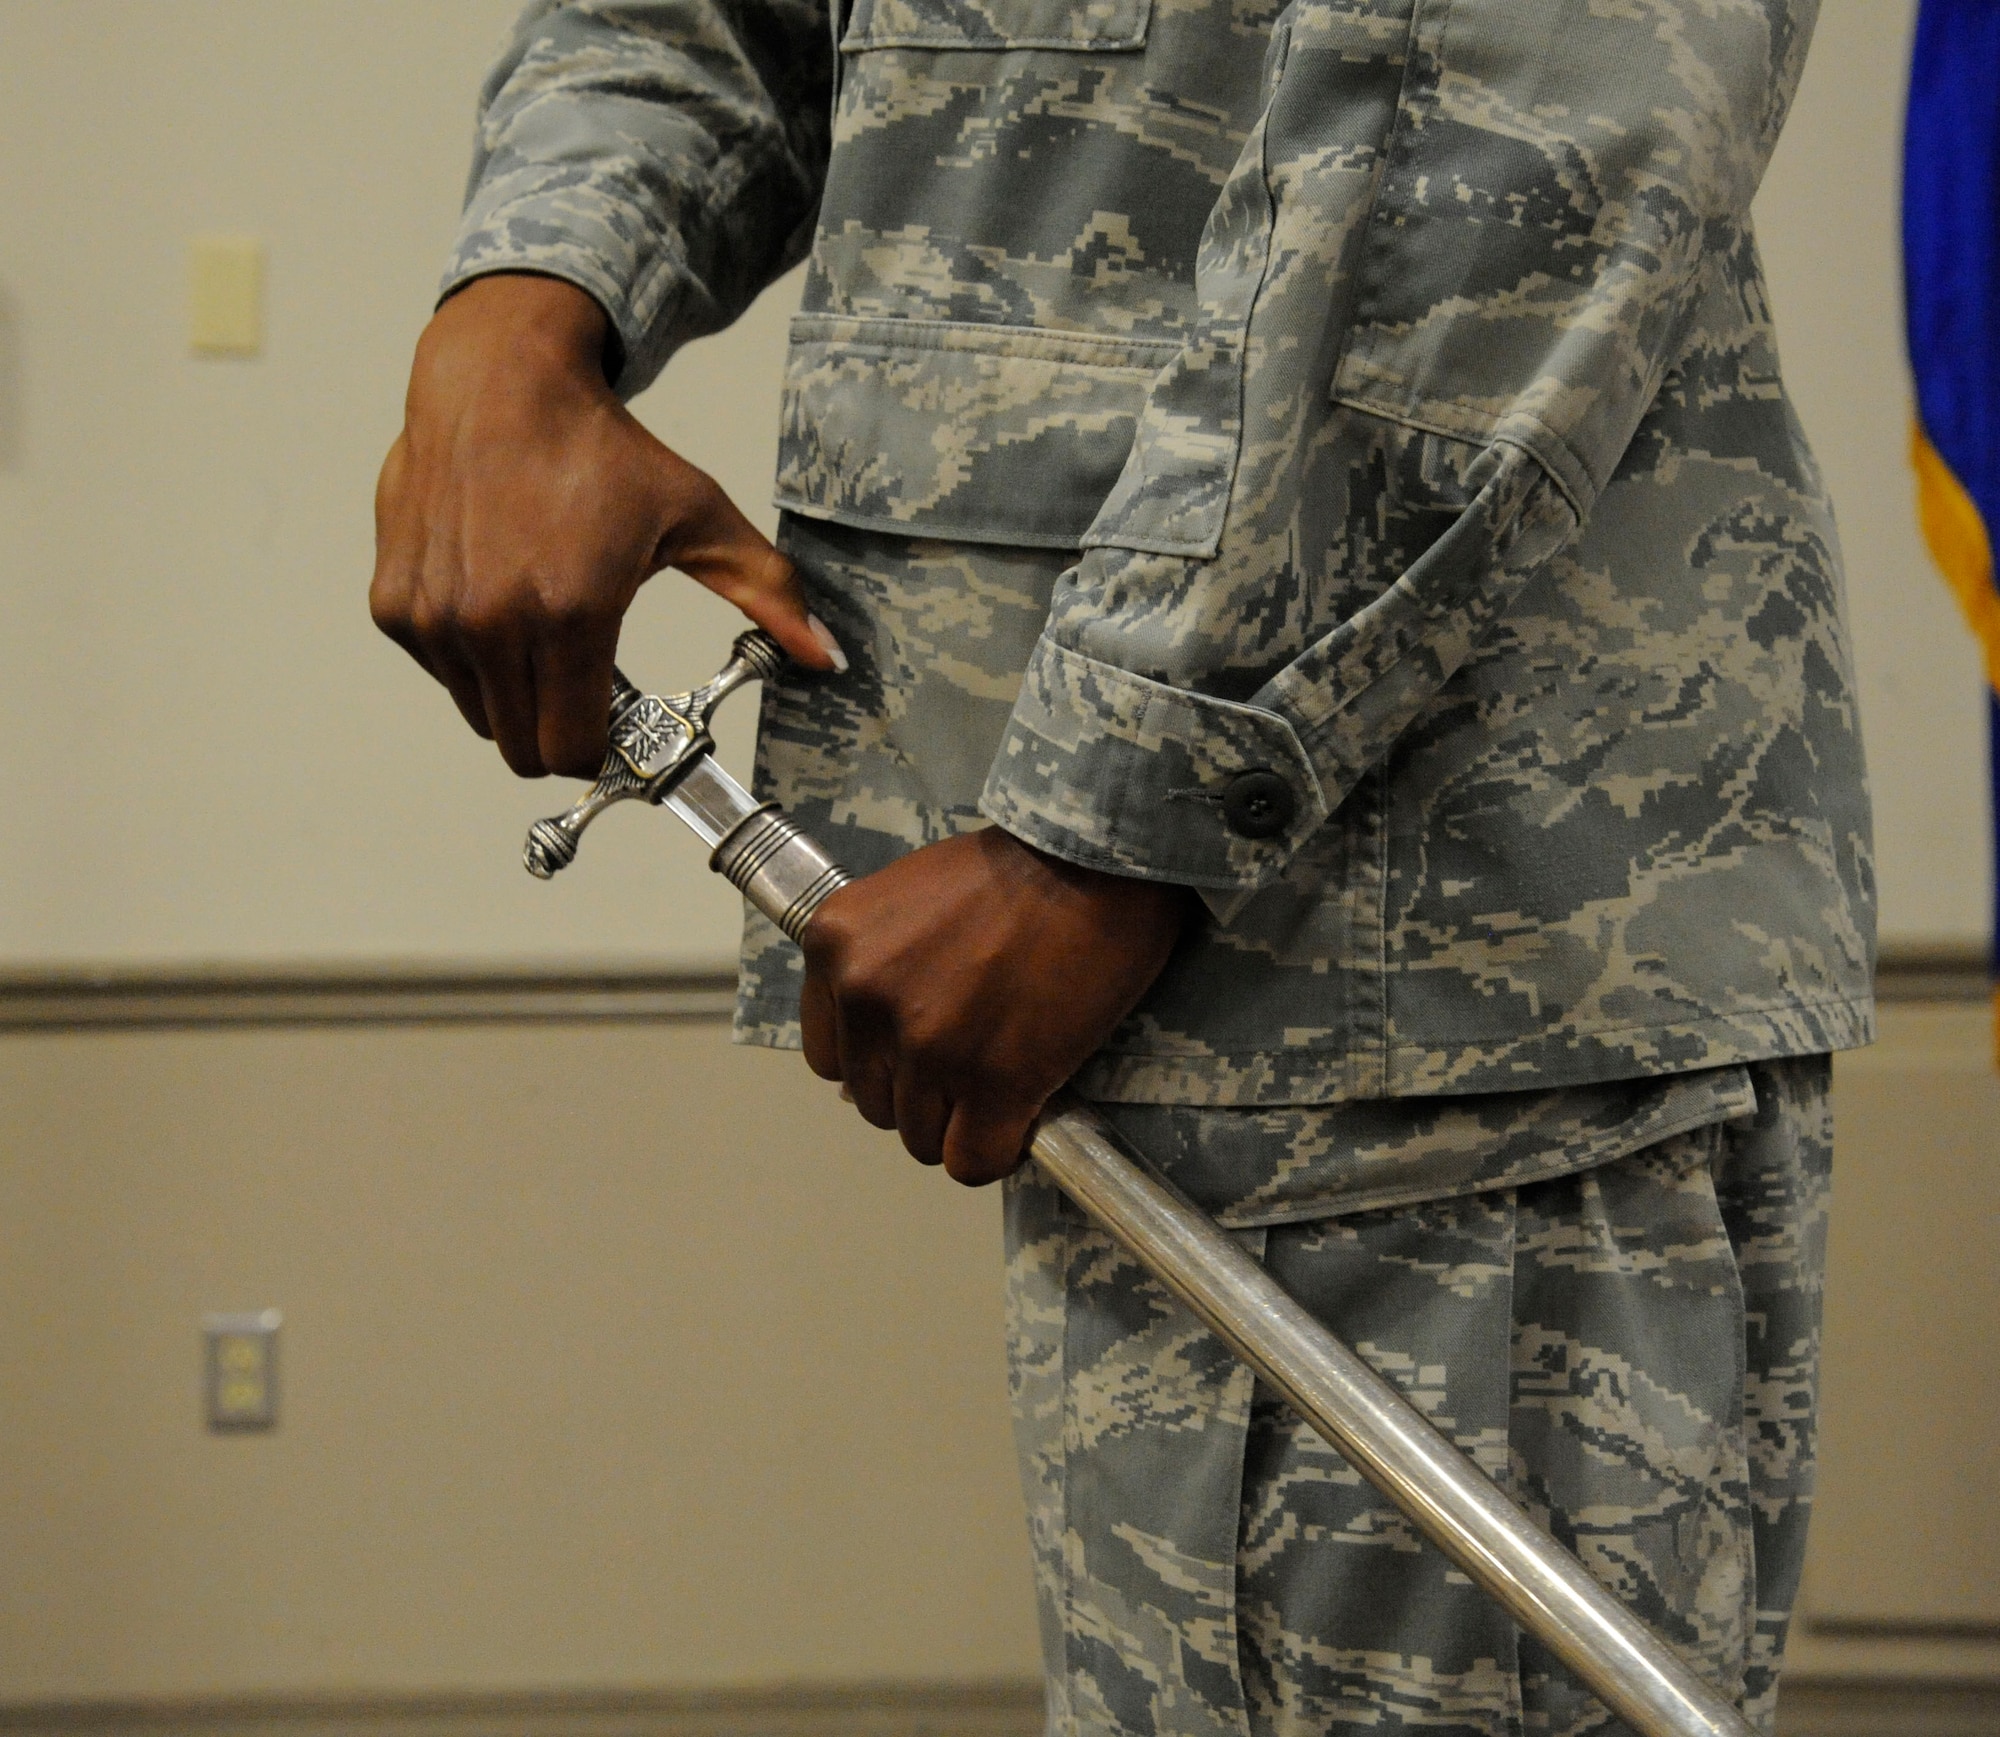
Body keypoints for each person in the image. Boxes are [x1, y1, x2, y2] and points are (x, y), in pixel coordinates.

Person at [370, 2, 1875, 1732]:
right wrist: (527, 297)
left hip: (1423, 977)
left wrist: (1126, 807)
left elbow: (1527, 129)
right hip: (1140, 994)